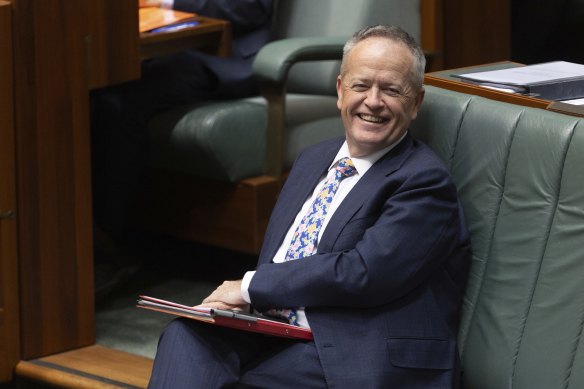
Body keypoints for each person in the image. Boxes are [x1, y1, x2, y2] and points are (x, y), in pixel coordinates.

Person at [147, 25, 471, 388]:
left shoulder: (424, 181)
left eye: (392, 90)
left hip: (356, 348)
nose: (373, 101)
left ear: (416, 103)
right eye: (361, 85)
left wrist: (250, 287)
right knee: (185, 337)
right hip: (278, 330)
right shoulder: (312, 159)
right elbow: (284, 258)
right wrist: (246, 308)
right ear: (339, 91)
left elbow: (363, 272)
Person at [90, 0, 274, 300]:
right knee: (88, 93)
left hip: (223, 55)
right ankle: (76, 244)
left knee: (117, 107)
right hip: (156, 45)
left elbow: (248, 8)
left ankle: (107, 248)